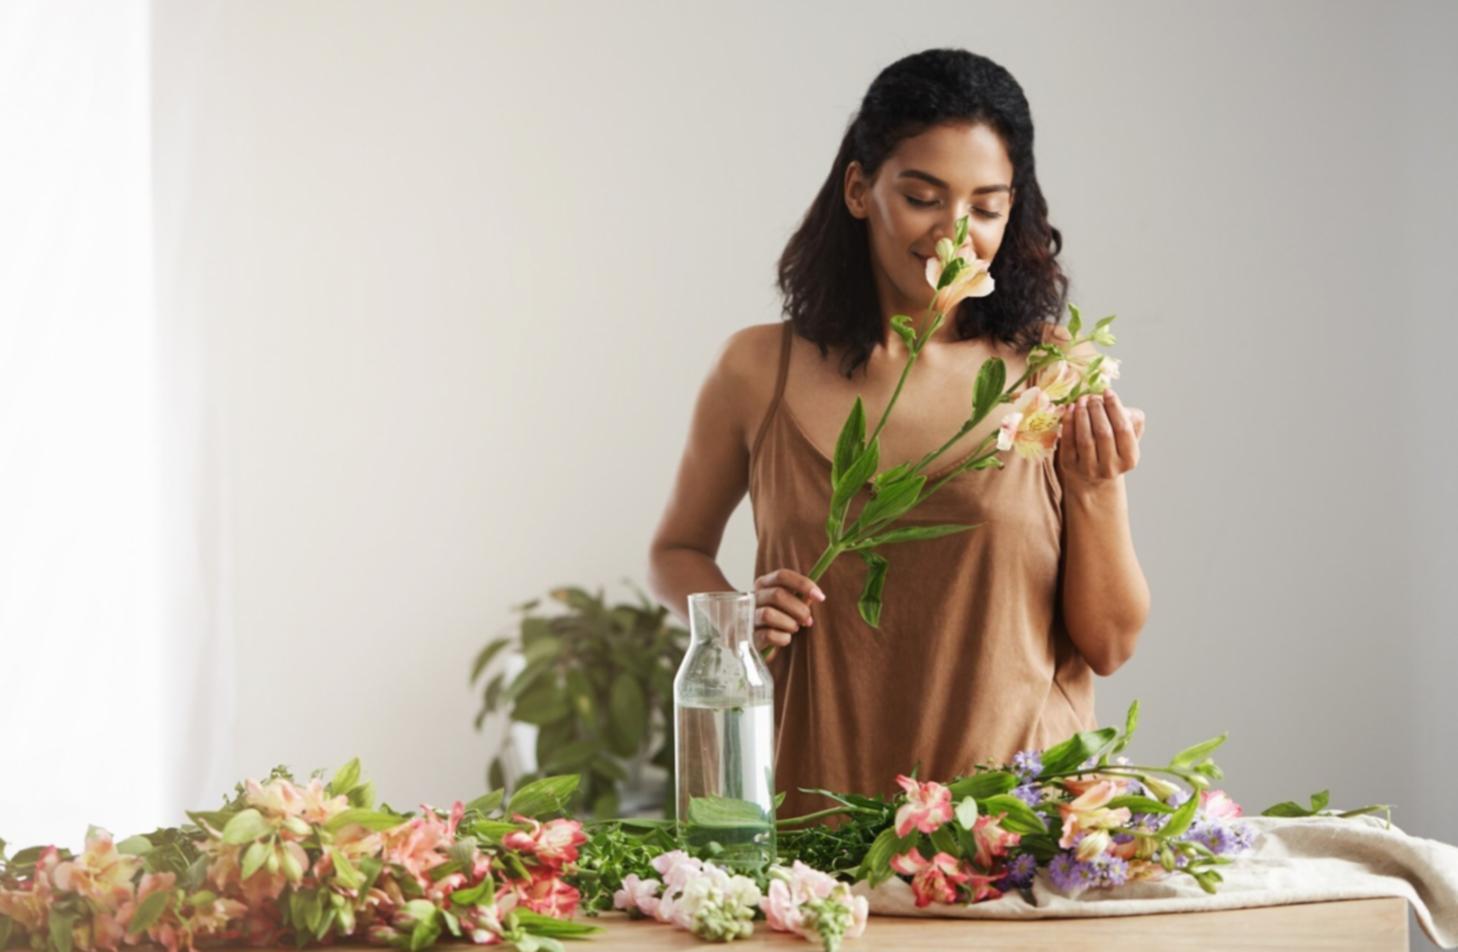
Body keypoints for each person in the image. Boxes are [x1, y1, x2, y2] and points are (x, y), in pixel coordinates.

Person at [646, 48, 1150, 820]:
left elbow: (1110, 645)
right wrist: (732, 619)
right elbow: (674, 548)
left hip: (1015, 832)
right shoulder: (757, 369)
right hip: (815, 818)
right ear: (859, 189)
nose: (956, 234)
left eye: (986, 208)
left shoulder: (1054, 371)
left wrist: (1095, 488)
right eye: (922, 197)